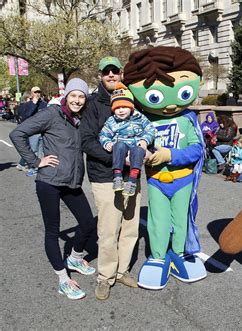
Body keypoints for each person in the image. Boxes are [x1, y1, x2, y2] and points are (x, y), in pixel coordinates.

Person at [123, 46, 207, 289]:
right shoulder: (142, 120)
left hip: (183, 179)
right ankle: (158, 256)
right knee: (157, 221)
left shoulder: (187, 119)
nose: (169, 105)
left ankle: (179, 254)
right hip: (156, 180)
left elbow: (197, 150)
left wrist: (169, 154)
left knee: (181, 220)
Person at [9, 78, 96, 300]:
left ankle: (75, 257)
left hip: (71, 182)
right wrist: (36, 161)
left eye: (81, 96)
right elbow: (17, 134)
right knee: (52, 231)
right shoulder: (52, 114)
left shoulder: (79, 118)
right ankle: (63, 280)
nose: (77, 100)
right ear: (66, 96)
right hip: (49, 182)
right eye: (73, 95)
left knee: (87, 222)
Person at [80, 56, 140, 300]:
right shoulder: (93, 104)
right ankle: (105, 277)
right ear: (100, 76)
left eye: (115, 71)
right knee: (108, 230)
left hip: (132, 175)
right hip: (104, 176)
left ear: (121, 73)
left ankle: (122, 270)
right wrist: (117, 156)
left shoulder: (132, 100)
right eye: (107, 72)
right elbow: (87, 142)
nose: (112, 75)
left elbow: (142, 128)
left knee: (129, 227)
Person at [99, 83, 156, 196]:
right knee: (119, 145)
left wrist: (145, 140)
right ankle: (117, 176)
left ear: (131, 107)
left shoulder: (140, 118)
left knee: (139, 150)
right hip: (121, 148)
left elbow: (151, 130)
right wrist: (107, 143)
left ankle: (132, 180)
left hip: (136, 146)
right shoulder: (112, 121)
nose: (121, 110)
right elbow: (103, 134)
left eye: (124, 107)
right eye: (117, 108)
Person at [22, 86, 48, 176]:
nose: (37, 94)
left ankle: (40, 168)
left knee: (42, 151)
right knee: (33, 150)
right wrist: (33, 104)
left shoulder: (44, 104)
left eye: (38, 92)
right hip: (33, 132)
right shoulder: (28, 104)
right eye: (35, 92)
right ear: (32, 93)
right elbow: (26, 116)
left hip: (43, 131)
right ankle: (32, 168)